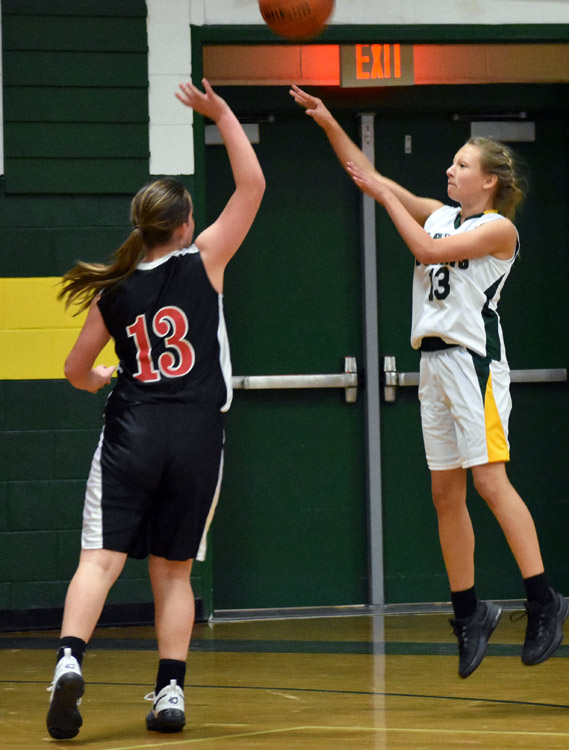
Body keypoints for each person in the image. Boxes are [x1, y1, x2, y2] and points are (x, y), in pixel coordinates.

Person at [290, 84, 568, 679]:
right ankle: (470, 613)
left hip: (474, 366)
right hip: (434, 366)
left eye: (461, 164)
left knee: (490, 481)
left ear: (488, 180)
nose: (450, 170)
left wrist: (386, 199)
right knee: (445, 495)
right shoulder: (443, 213)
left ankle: (544, 599)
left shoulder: (499, 230)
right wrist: (328, 122)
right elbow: (368, 174)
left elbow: (422, 249)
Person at [46, 79, 265, 739]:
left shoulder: (112, 291)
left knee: (99, 561)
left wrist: (99, 378)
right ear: (186, 225)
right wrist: (221, 112)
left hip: (132, 431)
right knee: (174, 573)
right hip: (196, 434)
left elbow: (75, 370)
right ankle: (170, 693)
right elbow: (252, 185)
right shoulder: (206, 261)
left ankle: (68, 661)